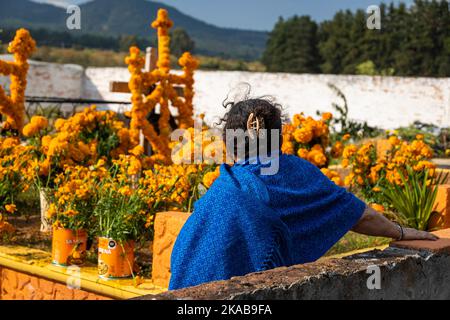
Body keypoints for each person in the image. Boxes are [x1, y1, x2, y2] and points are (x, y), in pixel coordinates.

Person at [169, 96, 438, 290]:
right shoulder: (294, 171)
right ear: (278, 135)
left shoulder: (225, 182)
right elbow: (357, 214)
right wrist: (402, 233)